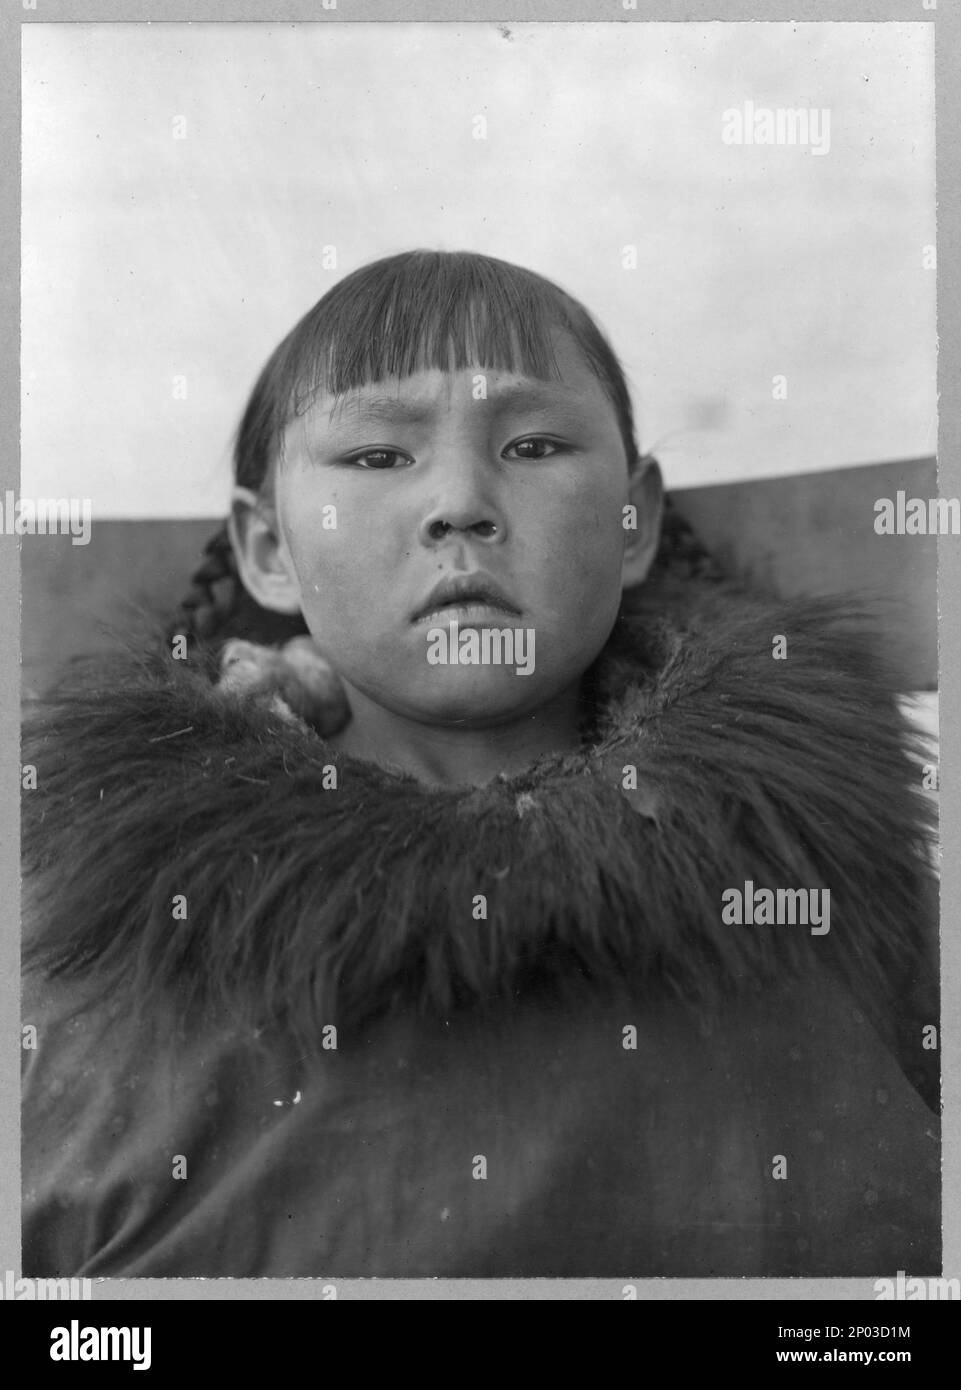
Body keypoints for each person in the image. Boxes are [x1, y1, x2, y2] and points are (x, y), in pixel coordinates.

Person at [21, 250, 939, 1278]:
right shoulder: (98, 920)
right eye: (377, 457)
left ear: (631, 518)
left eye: (535, 445)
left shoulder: (819, 865)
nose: (460, 501)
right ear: (269, 549)